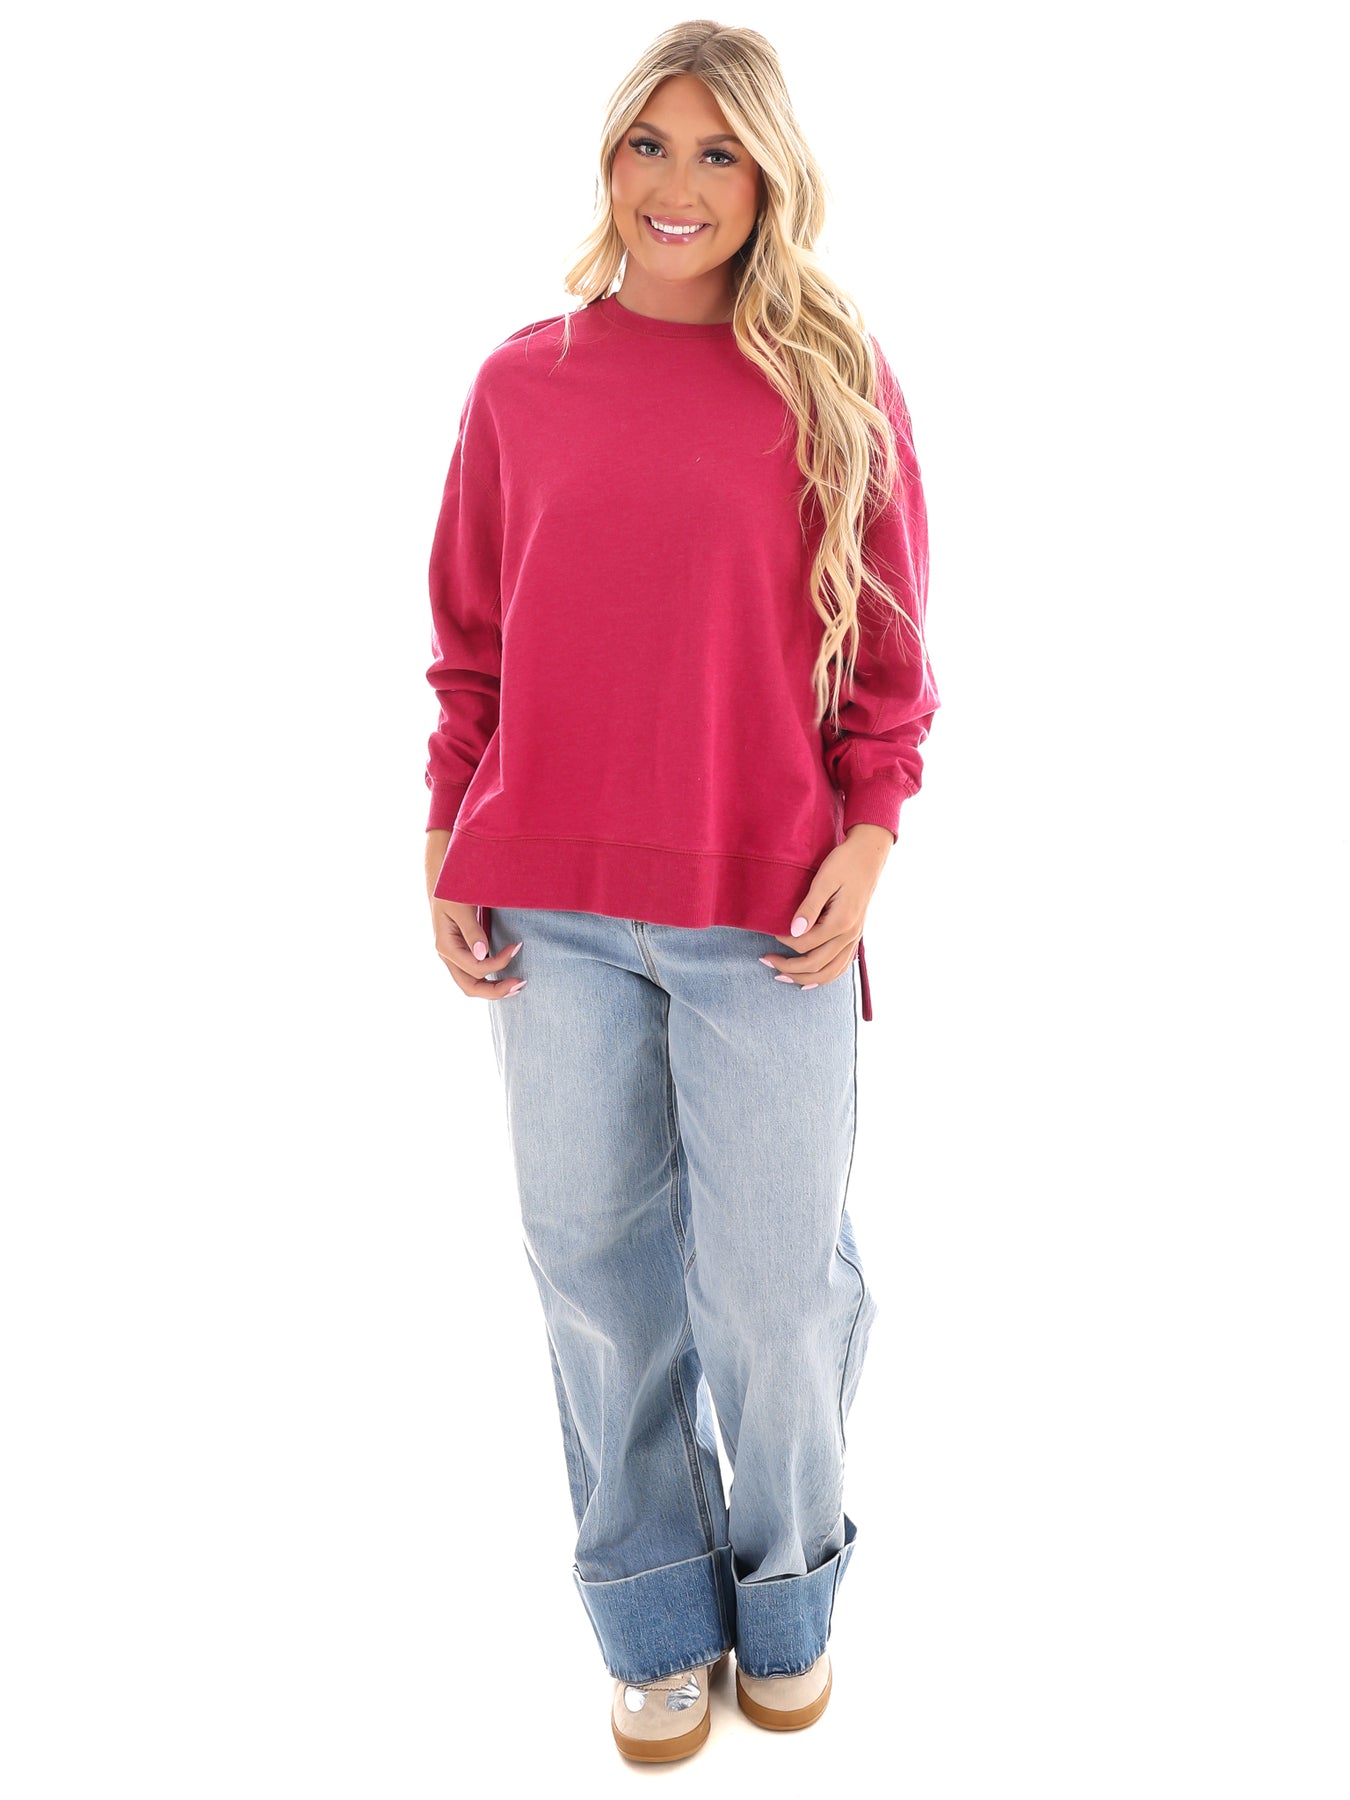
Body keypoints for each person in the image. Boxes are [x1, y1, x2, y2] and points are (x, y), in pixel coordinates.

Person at [421, 19, 940, 1764]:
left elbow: (888, 651)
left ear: (769, 177)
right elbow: (471, 648)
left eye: (719, 152)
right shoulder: (521, 382)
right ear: (608, 159)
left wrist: (870, 832)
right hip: (548, 906)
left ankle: (784, 1594)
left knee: (773, 1291)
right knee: (593, 1270)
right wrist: (446, 829)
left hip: (767, 915)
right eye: (650, 144)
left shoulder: (831, 376)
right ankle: (651, 1612)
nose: (677, 184)